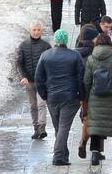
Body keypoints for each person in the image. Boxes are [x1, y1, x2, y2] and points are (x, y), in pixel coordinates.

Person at [34, 29, 85, 166]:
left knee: (59, 127)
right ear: (66, 40)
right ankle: (58, 156)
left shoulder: (45, 55)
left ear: (56, 40)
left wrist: (44, 95)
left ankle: (63, 155)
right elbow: (81, 77)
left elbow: (38, 79)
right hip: (70, 97)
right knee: (63, 127)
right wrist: (82, 95)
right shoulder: (75, 55)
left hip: (52, 97)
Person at [83, 34, 112, 165]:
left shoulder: (91, 59)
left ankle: (95, 155)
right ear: (110, 43)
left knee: (96, 127)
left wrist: (87, 96)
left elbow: (87, 80)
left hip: (95, 97)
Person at [17, 22, 52, 140]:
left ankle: (42, 127)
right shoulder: (23, 45)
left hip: (42, 81)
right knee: (33, 105)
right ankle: (36, 129)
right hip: (29, 81)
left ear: (41, 31)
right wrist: (23, 76)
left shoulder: (46, 46)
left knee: (41, 104)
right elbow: (19, 63)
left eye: (38, 30)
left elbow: (50, 62)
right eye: (34, 30)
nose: (36, 32)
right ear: (30, 30)